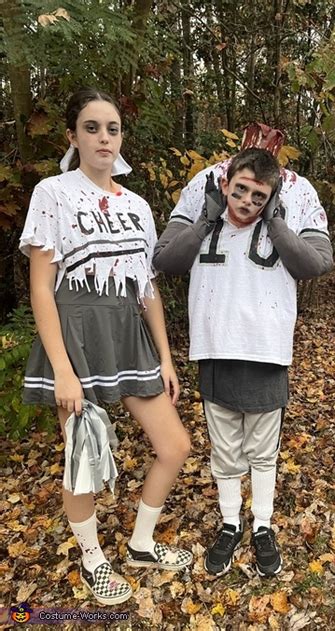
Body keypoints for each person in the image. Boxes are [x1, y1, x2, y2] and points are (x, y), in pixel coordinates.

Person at [19, 88, 192, 605]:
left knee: (175, 446)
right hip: (75, 336)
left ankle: (141, 542)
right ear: (72, 136)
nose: (103, 138)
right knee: (83, 458)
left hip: (129, 336)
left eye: (112, 128)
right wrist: (62, 369)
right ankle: (93, 557)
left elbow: (147, 288)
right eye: (92, 128)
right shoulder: (54, 192)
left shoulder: (137, 205)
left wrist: (164, 356)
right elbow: (40, 288)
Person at [153, 128, 333, 577]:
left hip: (267, 344)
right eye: (241, 190)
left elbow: (318, 263)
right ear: (227, 179)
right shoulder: (203, 189)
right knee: (226, 446)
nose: (247, 200)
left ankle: (263, 525)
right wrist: (205, 221)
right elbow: (166, 259)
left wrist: (275, 220)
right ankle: (231, 522)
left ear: (272, 193)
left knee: (263, 449)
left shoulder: (297, 194)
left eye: (259, 195)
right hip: (215, 340)